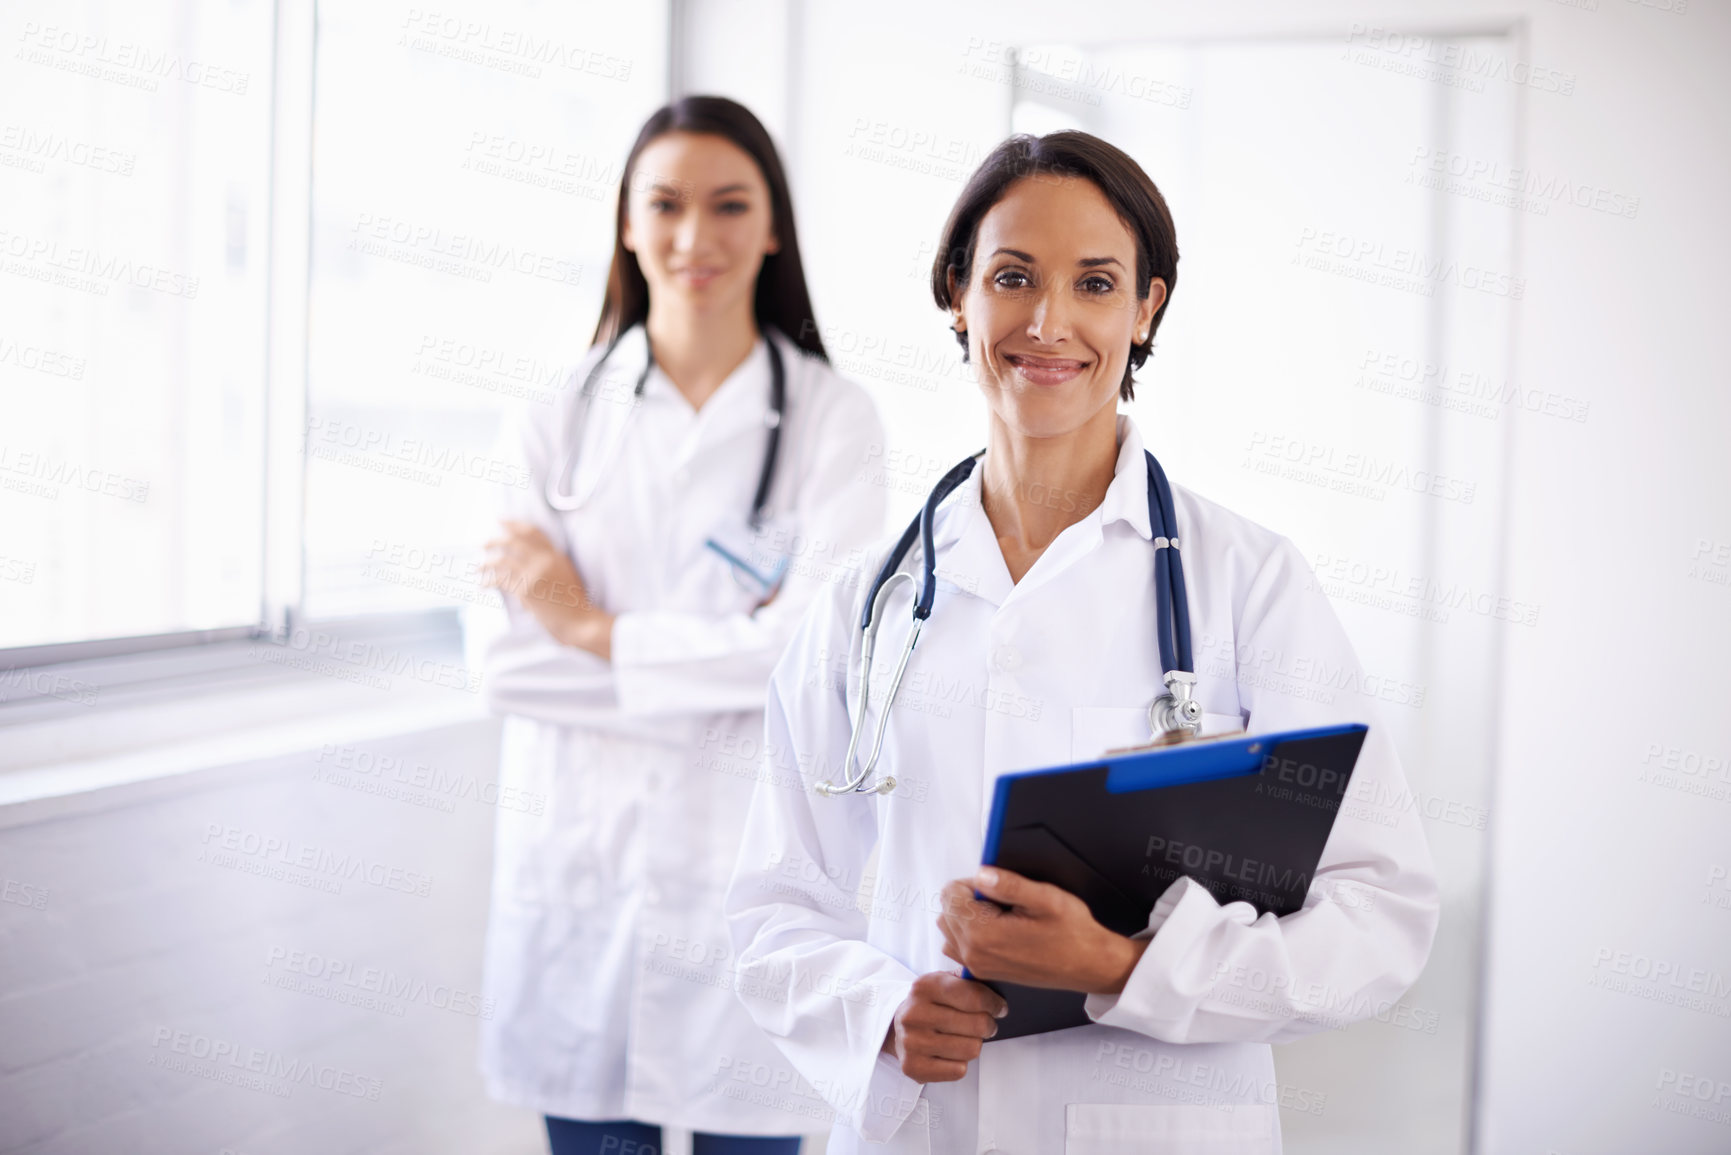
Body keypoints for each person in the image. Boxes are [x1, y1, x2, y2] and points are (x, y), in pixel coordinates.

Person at [723, 131, 1440, 1154]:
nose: (1048, 322)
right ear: (957, 297)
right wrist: (881, 1013)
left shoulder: (1250, 582)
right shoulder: (862, 605)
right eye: (1011, 276)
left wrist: (1123, 965)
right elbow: (772, 907)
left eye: (1095, 283)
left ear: (1146, 308)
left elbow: (1379, 919)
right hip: (929, 1125)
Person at [478, 96, 886, 1154]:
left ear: (774, 227)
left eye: (729, 205)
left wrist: (594, 629)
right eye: (664, 204)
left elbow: (816, 661)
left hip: (744, 885)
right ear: (625, 221)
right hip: (584, 878)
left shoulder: (834, 422)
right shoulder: (553, 419)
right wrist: (716, 671)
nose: (694, 237)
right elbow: (505, 664)